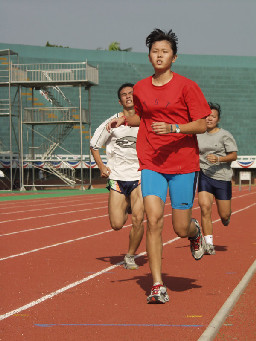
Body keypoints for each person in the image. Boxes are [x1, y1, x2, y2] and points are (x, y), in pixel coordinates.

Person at [107, 29, 211, 304]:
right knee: (153, 220)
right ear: (149, 56)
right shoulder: (140, 88)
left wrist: (174, 127)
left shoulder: (187, 86)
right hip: (151, 161)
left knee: (179, 227)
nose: (159, 55)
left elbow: (201, 123)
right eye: (155, 51)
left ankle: (194, 232)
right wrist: (124, 119)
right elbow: (141, 116)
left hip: (183, 164)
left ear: (174, 57)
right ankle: (157, 284)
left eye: (165, 51)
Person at [90, 83, 144, 270]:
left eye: (131, 93)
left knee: (138, 218)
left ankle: (130, 255)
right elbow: (94, 145)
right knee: (117, 224)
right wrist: (101, 166)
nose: (128, 96)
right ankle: (126, 203)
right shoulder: (111, 122)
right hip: (118, 176)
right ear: (119, 100)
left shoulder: (145, 119)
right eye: (124, 94)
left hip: (140, 176)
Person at [197, 102, 238, 255]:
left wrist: (219, 159)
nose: (209, 119)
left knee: (224, 215)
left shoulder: (224, 135)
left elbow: (234, 155)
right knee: (205, 207)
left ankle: (226, 217)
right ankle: (209, 244)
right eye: (207, 116)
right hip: (204, 175)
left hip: (222, 177)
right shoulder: (198, 133)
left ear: (218, 119)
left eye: (213, 116)